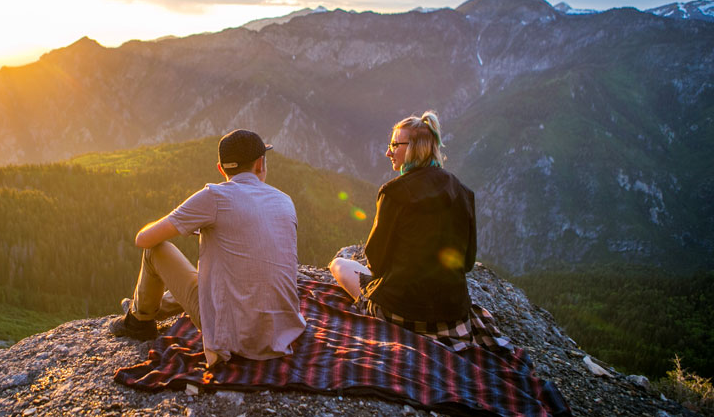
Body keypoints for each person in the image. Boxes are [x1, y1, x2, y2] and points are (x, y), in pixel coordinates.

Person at [109, 129, 307, 366]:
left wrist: (185, 222)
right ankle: (148, 309)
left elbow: (144, 239)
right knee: (223, 272)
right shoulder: (284, 200)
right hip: (281, 332)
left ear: (221, 169)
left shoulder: (214, 196)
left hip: (233, 336)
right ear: (260, 163)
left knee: (155, 251)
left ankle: (139, 320)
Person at [329, 111, 507, 351]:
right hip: (453, 317)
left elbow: (376, 262)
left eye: (395, 145)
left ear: (414, 148)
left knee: (339, 265)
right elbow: (466, 263)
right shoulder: (463, 192)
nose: (388, 152)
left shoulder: (393, 192)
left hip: (402, 311)